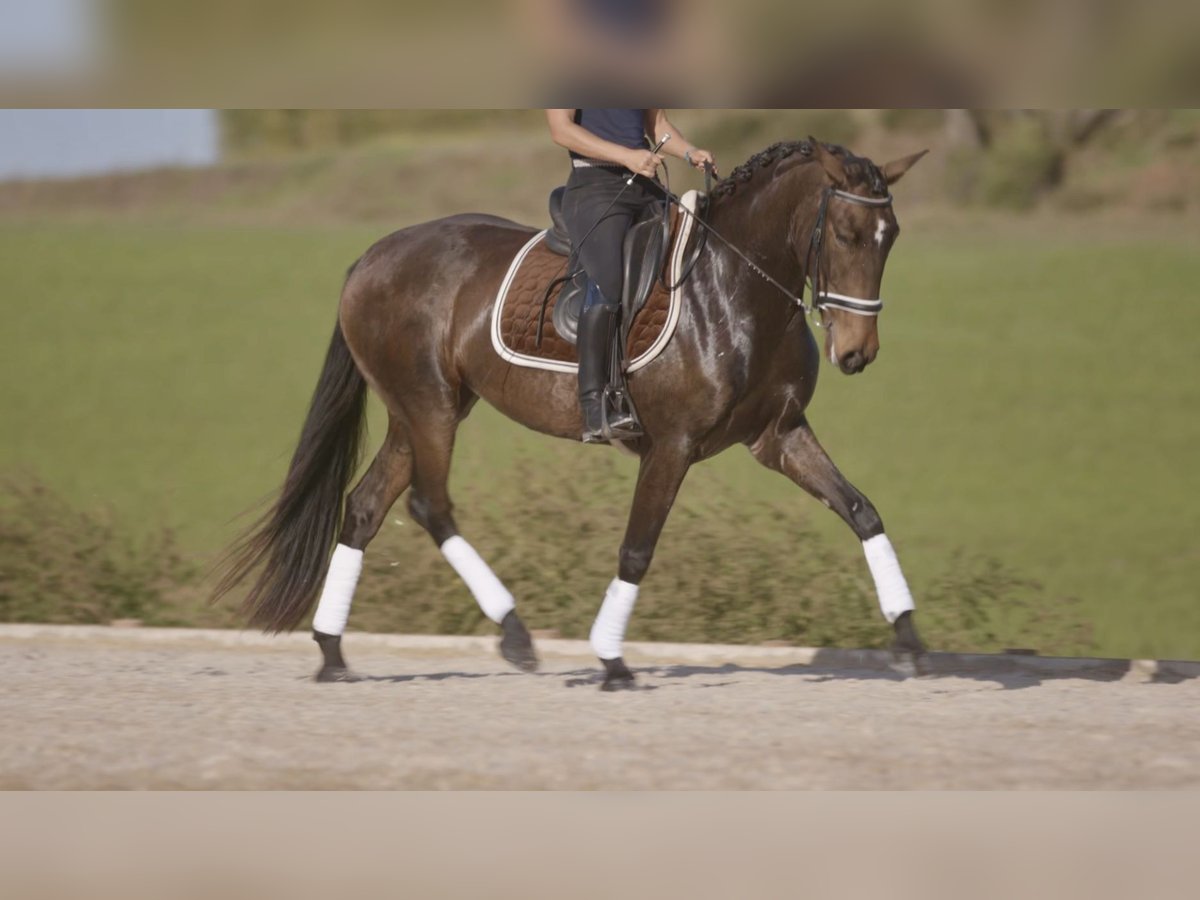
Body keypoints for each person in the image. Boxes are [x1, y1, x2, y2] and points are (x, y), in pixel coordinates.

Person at [545, 108, 715, 442]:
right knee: (607, 282)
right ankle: (594, 404)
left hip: (645, 187)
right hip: (595, 187)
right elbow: (561, 130)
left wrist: (688, 151)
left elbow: (657, 124)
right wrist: (626, 156)